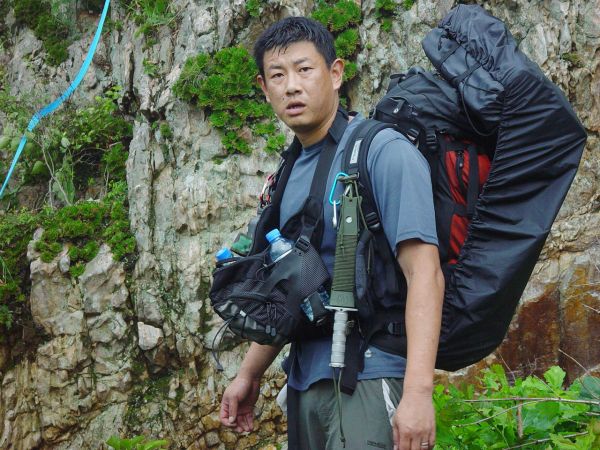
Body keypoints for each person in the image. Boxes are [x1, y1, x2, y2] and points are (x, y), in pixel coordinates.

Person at [219, 16, 444, 450]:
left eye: (305, 69)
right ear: (263, 88)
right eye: (277, 76)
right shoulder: (286, 173)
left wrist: (418, 393)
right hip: (305, 379)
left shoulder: (382, 152)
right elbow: (293, 286)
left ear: (335, 73)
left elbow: (425, 273)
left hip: (370, 374)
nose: (291, 86)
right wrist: (249, 374)